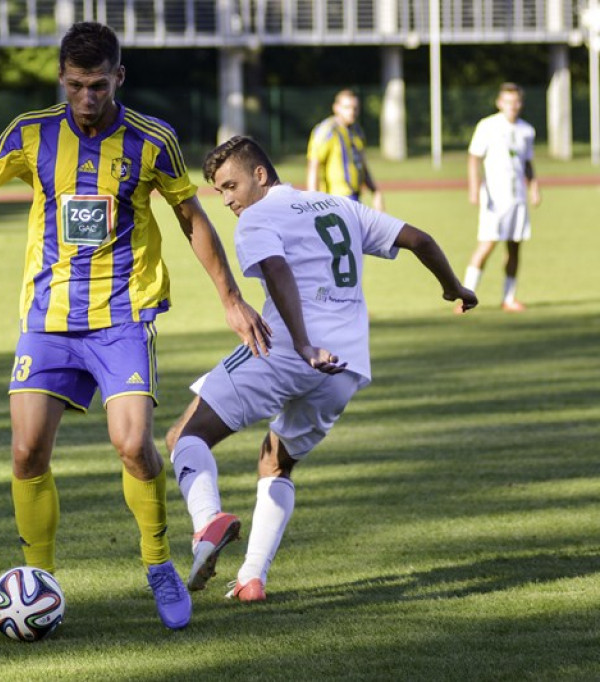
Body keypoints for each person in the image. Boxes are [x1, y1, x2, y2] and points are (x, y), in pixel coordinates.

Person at [0, 21, 270, 630]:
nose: (87, 99)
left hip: (123, 318)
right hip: (48, 320)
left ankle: (158, 563)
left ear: (119, 77)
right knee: (26, 453)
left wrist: (229, 299)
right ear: (61, 80)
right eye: (75, 86)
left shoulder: (153, 140)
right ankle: (37, 581)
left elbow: (191, 217)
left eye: (98, 85)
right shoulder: (30, 132)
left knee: (131, 445)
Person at [165, 136, 477, 603]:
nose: (228, 199)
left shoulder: (257, 218)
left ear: (261, 175)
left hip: (287, 350)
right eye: (219, 192)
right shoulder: (339, 205)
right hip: (347, 367)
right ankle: (252, 578)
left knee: (183, 437)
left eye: (231, 185)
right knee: (276, 462)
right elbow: (421, 240)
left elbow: (277, 271)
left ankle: (207, 520)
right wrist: (454, 287)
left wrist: (305, 343)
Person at [459, 82, 541, 313]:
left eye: (516, 101)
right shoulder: (488, 126)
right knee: (486, 244)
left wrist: (534, 187)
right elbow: (474, 157)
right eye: (508, 101)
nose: (512, 106)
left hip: (518, 198)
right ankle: (465, 297)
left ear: (521, 103)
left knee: (514, 247)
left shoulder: (527, 130)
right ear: (499, 103)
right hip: (495, 197)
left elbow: (527, 162)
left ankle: (509, 297)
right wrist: (474, 188)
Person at [306, 89, 384, 212]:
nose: (352, 112)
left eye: (355, 108)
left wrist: (375, 191)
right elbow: (314, 165)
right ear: (336, 108)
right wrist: (312, 201)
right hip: (334, 199)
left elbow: (361, 164)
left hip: (354, 196)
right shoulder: (327, 131)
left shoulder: (357, 131)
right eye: (347, 107)